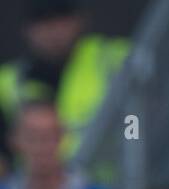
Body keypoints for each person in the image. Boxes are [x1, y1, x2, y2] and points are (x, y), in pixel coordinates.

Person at [0, 0, 128, 164]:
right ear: (27, 29)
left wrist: (133, 139)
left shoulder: (115, 59)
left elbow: (137, 119)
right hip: (37, 186)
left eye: (61, 18)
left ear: (80, 20)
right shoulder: (8, 81)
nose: (53, 31)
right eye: (43, 21)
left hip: (110, 182)